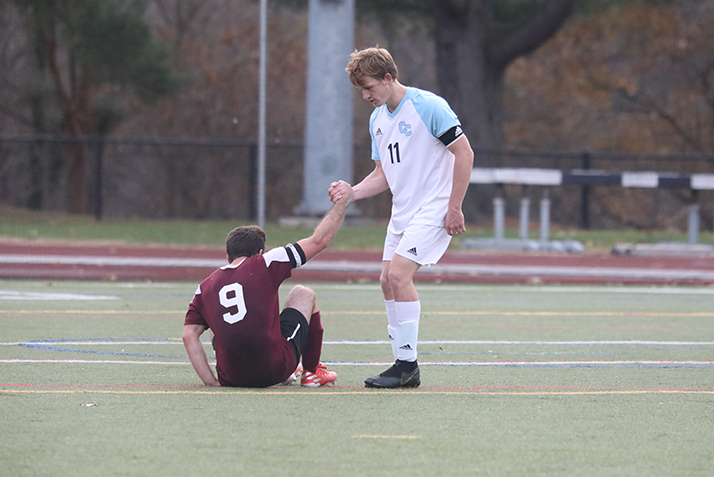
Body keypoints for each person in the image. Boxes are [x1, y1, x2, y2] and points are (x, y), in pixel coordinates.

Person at [330, 47, 474, 388]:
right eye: (361, 90)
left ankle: (408, 366)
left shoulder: (429, 106)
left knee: (398, 275)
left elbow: (464, 153)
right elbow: (382, 175)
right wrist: (352, 192)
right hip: (404, 212)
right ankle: (401, 364)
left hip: (435, 207)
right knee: (385, 281)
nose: (365, 96)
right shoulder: (377, 119)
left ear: (388, 78)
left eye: (368, 88)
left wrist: (454, 206)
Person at [183, 182, 354, 388]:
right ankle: (311, 372)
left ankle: (286, 370)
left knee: (217, 318)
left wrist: (211, 382)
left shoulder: (205, 287)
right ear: (260, 253)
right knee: (303, 293)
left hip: (232, 379)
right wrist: (342, 203)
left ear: (228, 257)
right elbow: (320, 240)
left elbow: (189, 335)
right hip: (273, 368)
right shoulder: (264, 262)